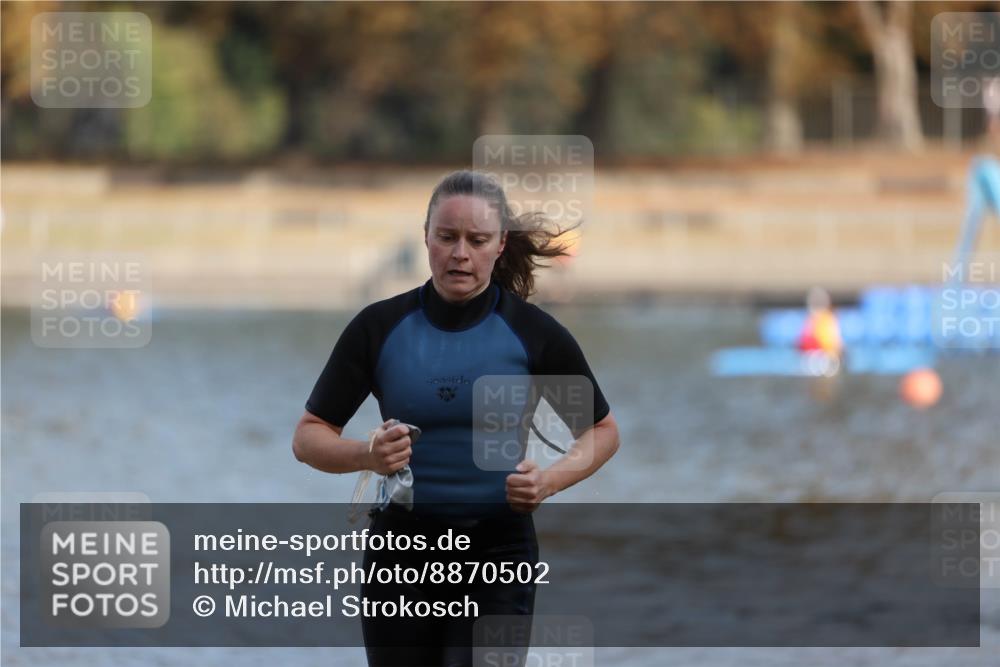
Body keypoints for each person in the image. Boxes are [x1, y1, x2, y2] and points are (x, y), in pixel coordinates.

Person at [291, 170, 620, 667]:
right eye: (446, 238)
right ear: (426, 237)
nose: (460, 254)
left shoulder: (532, 334)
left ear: (500, 244)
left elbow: (602, 432)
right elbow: (308, 437)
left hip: (498, 553)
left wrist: (548, 482)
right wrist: (367, 454)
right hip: (401, 553)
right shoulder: (379, 329)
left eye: (477, 240)